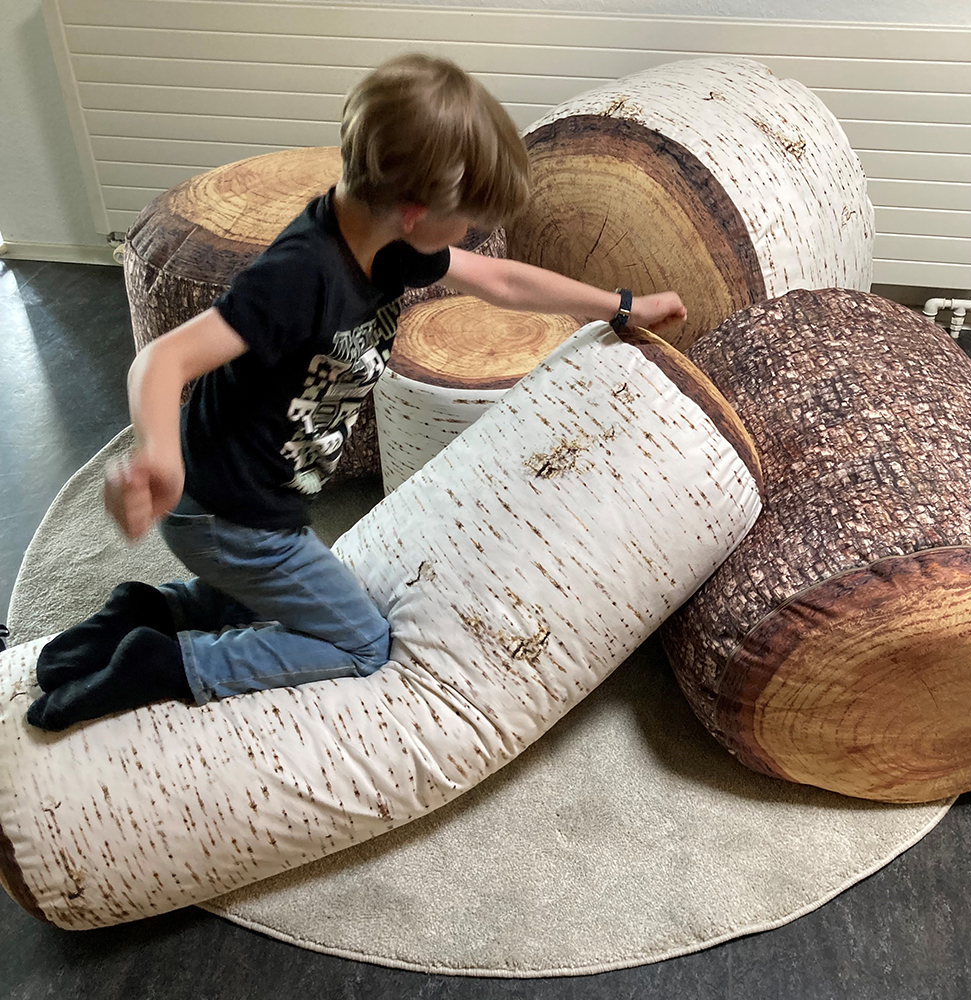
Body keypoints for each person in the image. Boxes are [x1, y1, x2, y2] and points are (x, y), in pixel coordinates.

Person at [27, 54, 686, 731]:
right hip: (229, 515)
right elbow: (161, 361)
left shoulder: (388, 242)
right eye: (465, 219)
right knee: (362, 644)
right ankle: (167, 664)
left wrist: (621, 305)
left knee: (276, 597)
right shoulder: (302, 274)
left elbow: (503, 281)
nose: (469, 233)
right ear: (414, 212)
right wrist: (159, 460)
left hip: (253, 502)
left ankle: (150, 611)